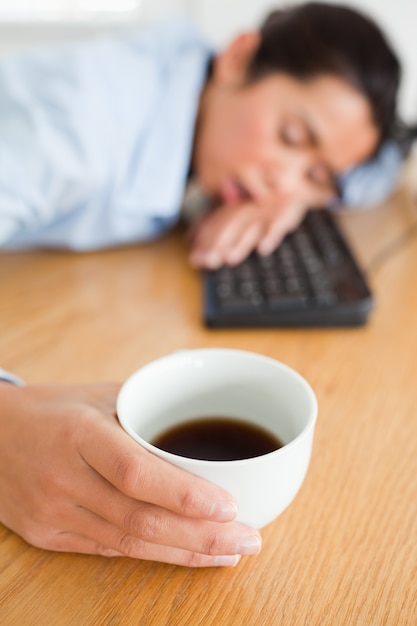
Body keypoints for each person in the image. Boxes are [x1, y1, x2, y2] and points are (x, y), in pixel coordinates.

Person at [0, 3, 406, 567]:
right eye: (291, 136)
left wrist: (292, 198)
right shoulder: (78, 126)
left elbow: (379, 165)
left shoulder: (205, 93)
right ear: (238, 56)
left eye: (318, 178)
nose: (283, 181)